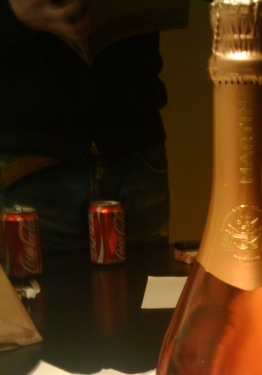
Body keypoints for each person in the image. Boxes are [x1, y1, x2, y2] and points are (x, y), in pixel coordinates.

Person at [0, 0, 170, 252]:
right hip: (27, 166)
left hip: (136, 153)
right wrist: (12, 13)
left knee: (149, 277)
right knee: (38, 281)